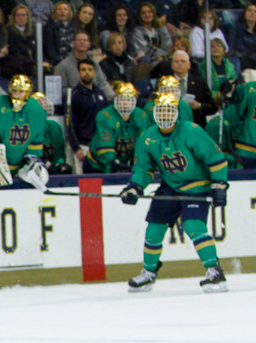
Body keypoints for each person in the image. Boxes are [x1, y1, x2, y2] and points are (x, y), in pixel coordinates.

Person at [121, 92, 229, 294]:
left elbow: (216, 159)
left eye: (169, 111)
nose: (164, 115)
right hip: (170, 186)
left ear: (177, 113)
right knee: (153, 230)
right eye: (160, 111)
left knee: (194, 226)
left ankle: (214, 271)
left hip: (197, 185)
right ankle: (149, 273)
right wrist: (134, 187)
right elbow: (143, 169)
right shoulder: (147, 138)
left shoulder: (191, 131)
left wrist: (219, 184)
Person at [0, 74, 47, 181]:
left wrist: (30, 164)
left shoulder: (37, 111)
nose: (16, 95)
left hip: (21, 169)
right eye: (14, 91)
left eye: (21, 92)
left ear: (28, 92)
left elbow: (35, 143)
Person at [85, 81, 147, 172]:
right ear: (115, 100)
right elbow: (105, 146)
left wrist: (137, 162)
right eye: (121, 100)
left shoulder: (141, 116)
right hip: (97, 165)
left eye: (128, 100)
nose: (125, 103)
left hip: (124, 161)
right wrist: (115, 163)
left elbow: (141, 145)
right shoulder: (105, 116)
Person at [66, 58, 108, 173]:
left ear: (95, 72)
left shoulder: (100, 93)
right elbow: (70, 124)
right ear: (79, 73)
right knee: (83, 183)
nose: (87, 72)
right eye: (83, 70)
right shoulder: (75, 95)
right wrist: (76, 148)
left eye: (90, 69)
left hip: (99, 145)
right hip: (82, 145)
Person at [54, 30, 114, 99]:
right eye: (79, 40)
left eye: (85, 40)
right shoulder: (62, 66)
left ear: (89, 44)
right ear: (73, 43)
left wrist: (113, 98)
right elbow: (59, 90)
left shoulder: (95, 64)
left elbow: (103, 84)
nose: (82, 42)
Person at [32, 91, 71, 175]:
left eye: (43, 102)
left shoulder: (55, 127)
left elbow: (60, 152)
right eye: (39, 103)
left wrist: (58, 164)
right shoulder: (26, 127)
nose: (43, 105)